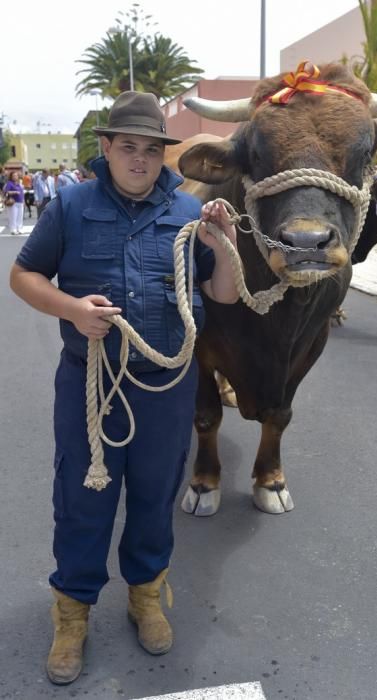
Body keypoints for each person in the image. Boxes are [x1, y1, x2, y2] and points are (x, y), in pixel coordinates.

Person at [9, 90, 239, 686]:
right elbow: (23, 273)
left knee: (155, 495)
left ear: (163, 154)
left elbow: (225, 295)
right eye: (127, 147)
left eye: (151, 149)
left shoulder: (190, 214)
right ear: (106, 148)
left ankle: (145, 596)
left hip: (166, 385)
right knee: (82, 498)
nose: (140, 159)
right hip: (90, 380)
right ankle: (73, 612)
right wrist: (70, 306)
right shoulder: (72, 207)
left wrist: (222, 246)